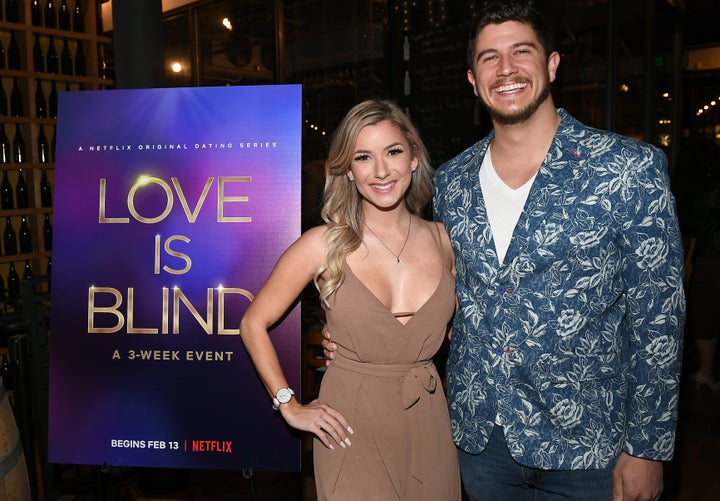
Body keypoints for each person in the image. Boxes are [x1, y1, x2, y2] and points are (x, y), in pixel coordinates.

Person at [324, 2, 685, 500]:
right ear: (473, 80)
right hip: (480, 443)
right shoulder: (452, 183)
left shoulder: (629, 169)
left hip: (591, 448)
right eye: (490, 58)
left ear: (552, 63)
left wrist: (647, 447)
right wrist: (355, 336)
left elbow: (659, 320)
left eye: (521, 51)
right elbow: (430, 284)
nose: (507, 69)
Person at [239, 98, 461, 500]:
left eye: (393, 152)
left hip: (429, 421)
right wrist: (288, 404)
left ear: (413, 157)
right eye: (363, 157)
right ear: (347, 170)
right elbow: (253, 323)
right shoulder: (322, 244)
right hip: (350, 424)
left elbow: (461, 335)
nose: (380, 171)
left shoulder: (445, 241)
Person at [674, 137, 720, 391]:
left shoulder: (676, 184)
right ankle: (704, 370)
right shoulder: (713, 187)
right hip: (708, 258)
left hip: (682, 258)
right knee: (707, 316)